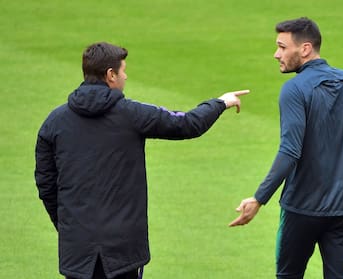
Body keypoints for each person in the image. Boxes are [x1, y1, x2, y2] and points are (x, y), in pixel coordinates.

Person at [34, 42, 249, 279]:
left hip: (78, 250)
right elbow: (186, 124)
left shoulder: (53, 123)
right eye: (123, 70)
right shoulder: (132, 114)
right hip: (123, 252)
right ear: (110, 75)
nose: (125, 77)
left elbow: (46, 185)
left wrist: (69, 227)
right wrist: (220, 102)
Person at [229, 17, 343, 279]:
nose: (276, 54)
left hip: (301, 211)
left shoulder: (294, 90)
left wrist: (259, 198)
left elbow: (290, 151)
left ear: (305, 48)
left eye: (282, 47)